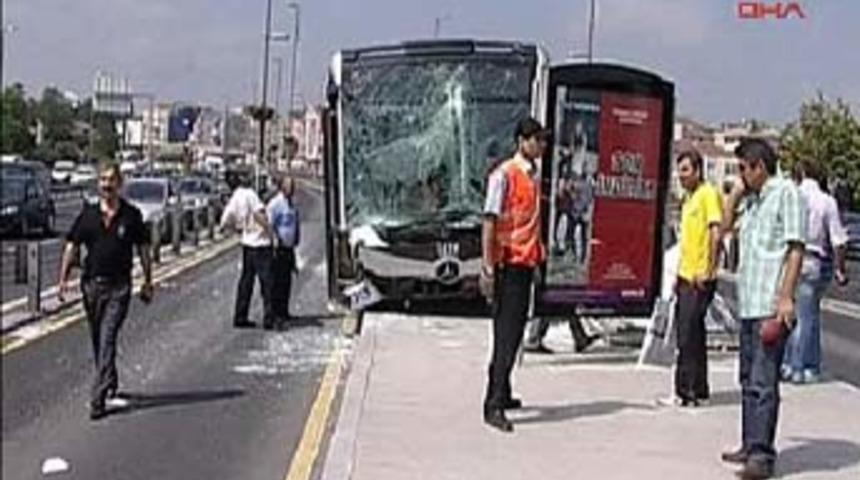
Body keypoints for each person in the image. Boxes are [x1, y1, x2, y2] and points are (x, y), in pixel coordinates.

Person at [720, 138, 807, 480]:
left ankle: (762, 455)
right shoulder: (753, 201)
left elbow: (796, 249)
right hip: (749, 303)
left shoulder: (786, 192)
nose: (741, 175)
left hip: (771, 304)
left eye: (743, 168)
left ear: (759, 165)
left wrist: (785, 297)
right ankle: (749, 441)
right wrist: (735, 195)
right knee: (747, 379)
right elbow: (726, 227)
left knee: (764, 381)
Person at [58, 161, 153, 420]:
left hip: (119, 288)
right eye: (103, 180)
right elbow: (72, 245)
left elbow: (143, 249)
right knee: (98, 341)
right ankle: (109, 377)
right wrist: (63, 279)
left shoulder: (131, 216)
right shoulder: (88, 215)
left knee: (108, 338)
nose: (107, 185)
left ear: (119, 184)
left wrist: (147, 280)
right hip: (91, 287)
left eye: (111, 180)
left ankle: (97, 399)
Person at [479, 117, 548, 432]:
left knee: (515, 332)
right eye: (537, 140)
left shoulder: (532, 177)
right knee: (506, 337)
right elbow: (490, 221)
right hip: (507, 265)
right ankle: (492, 403)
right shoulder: (505, 175)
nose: (541, 146)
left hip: (525, 264)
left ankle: (504, 391)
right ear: (522, 141)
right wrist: (488, 266)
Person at [658, 150, 723, 408]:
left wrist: (708, 269)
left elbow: (715, 234)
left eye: (685, 170)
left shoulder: (708, 195)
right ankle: (698, 389)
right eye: (679, 170)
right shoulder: (689, 198)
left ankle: (686, 391)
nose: (681, 176)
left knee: (687, 334)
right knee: (693, 334)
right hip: (685, 275)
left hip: (700, 277)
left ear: (697, 170)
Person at [782, 159, 849, 384]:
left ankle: (790, 363)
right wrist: (840, 268)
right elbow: (838, 239)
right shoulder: (826, 202)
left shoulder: (790, 196)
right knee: (807, 315)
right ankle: (802, 366)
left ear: (800, 174)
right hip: (813, 259)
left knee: (792, 313)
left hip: (789, 257)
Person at [220, 174, 275, 329]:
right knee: (267, 283)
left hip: (247, 244)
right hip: (261, 243)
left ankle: (240, 316)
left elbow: (225, 221)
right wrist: (270, 232)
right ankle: (269, 318)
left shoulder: (236, 197)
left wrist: (235, 229)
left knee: (246, 282)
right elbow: (258, 214)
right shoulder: (250, 194)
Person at [267, 175, 301, 325]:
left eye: (293, 186)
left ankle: (284, 311)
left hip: (289, 247)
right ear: (282, 187)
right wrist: (274, 239)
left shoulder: (292, 205)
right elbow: (269, 224)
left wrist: (296, 238)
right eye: (289, 186)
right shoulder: (275, 204)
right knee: (277, 282)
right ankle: (275, 313)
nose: (292, 189)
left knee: (287, 281)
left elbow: (296, 223)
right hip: (278, 248)